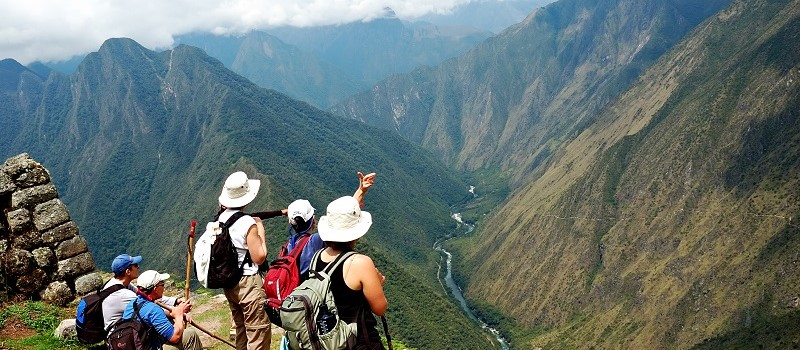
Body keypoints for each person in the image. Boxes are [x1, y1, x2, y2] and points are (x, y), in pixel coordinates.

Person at [254, 171, 376, 280]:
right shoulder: (315, 241)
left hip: (291, 298)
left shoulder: (288, 246)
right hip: (310, 300)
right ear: (313, 220)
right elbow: (342, 221)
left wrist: (360, 192)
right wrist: (360, 191)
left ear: (290, 223)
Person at [315, 195, 388, 350]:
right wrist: (378, 285)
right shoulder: (360, 262)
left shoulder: (316, 257)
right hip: (358, 341)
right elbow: (380, 308)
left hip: (327, 339)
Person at [217, 171, 270, 349]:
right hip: (248, 283)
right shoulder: (247, 222)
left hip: (230, 282)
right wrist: (260, 228)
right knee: (257, 331)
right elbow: (260, 256)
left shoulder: (220, 218)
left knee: (241, 329)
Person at [120, 270, 202, 350]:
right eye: (162, 284)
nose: (164, 287)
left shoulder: (132, 304)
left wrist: (173, 313)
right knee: (190, 335)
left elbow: (150, 316)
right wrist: (179, 315)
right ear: (155, 289)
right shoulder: (153, 309)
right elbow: (174, 337)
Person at [102, 254, 182, 331]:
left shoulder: (120, 283)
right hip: (121, 336)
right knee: (164, 321)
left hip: (126, 327)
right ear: (128, 271)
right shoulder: (123, 294)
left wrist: (176, 301)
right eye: (135, 265)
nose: (138, 267)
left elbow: (147, 295)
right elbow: (150, 308)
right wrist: (176, 313)